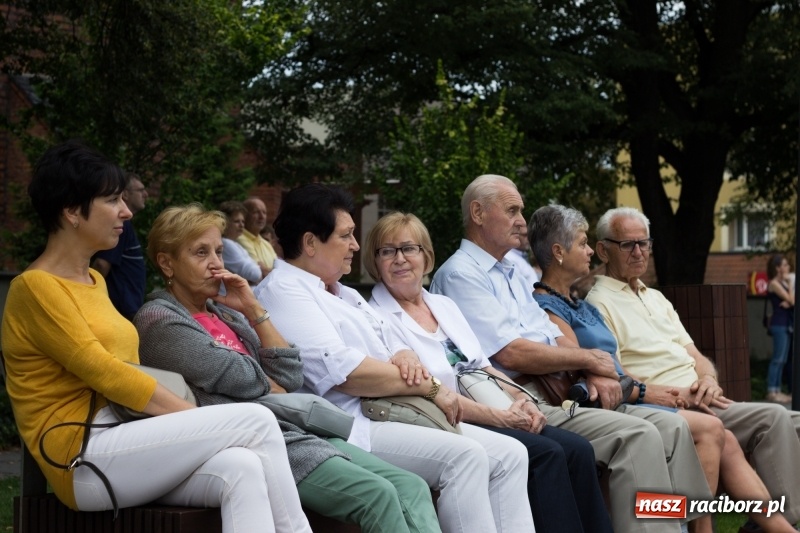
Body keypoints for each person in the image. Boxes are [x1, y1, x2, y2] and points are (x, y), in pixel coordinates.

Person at [0, 141, 310, 532]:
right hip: (81, 456)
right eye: (113, 200)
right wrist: (202, 422)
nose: (126, 212)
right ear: (71, 211)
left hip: (127, 436)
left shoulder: (93, 280)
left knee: (242, 467)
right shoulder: (36, 289)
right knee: (256, 419)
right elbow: (108, 372)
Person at [134, 204, 440, 533]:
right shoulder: (160, 320)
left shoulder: (228, 314)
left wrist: (255, 311)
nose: (216, 264)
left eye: (219, 251)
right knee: (377, 495)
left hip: (300, 433)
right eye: (200, 253)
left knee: (412, 487)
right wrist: (265, 380)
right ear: (167, 262)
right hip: (258, 447)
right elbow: (242, 379)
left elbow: (290, 378)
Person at [430, 174, 710, 533]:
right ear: (478, 213)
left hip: (562, 389)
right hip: (522, 398)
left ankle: (683, 528)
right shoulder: (460, 275)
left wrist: (590, 368)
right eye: (512, 210)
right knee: (638, 435)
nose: (521, 220)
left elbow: (549, 333)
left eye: (522, 210)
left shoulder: (514, 267)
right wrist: (589, 361)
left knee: (672, 427)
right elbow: (512, 354)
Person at [255, 184, 535, 533]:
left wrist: (401, 354)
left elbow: (391, 344)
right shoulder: (285, 292)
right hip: (357, 426)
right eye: (346, 236)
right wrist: (433, 388)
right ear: (311, 243)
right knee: (465, 458)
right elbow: (349, 374)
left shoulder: (343, 292)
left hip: (398, 412)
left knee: (512, 455)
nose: (355, 245)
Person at [529, 204, 798, 533]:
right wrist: (646, 390)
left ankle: (773, 526)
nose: (639, 252)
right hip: (640, 399)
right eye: (628, 244)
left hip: (682, 395)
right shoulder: (586, 301)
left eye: (645, 243)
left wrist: (708, 379)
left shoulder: (597, 302)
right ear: (598, 250)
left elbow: (691, 354)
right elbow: (590, 362)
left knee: (783, 420)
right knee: (721, 432)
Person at [365, 212, 612, 533]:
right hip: (450, 418)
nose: (399, 259)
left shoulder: (442, 305)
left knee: (578, 449)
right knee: (546, 453)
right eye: (387, 251)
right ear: (376, 261)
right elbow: (432, 393)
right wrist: (503, 418)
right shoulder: (376, 318)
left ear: (426, 257)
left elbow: (483, 366)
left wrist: (522, 401)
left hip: (490, 402)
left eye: (408, 248)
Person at [91, 172, 147, 319]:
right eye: (140, 190)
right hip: (121, 311)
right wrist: (90, 297)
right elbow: (101, 265)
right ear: (126, 194)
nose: (146, 194)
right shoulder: (121, 226)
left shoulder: (125, 226)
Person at [765, 254, 794, 403]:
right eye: (785, 265)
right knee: (777, 359)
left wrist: (789, 302)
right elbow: (792, 299)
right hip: (779, 324)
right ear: (778, 268)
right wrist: (790, 298)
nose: (788, 267)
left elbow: (791, 300)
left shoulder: (782, 283)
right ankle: (772, 390)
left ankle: (777, 389)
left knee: (782, 359)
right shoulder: (774, 283)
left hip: (785, 324)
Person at [218, 200, 263, 285]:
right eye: (236, 221)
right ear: (224, 223)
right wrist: (257, 270)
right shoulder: (226, 244)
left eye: (243, 221)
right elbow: (255, 274)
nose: (241, 225)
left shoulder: (235, 244)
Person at [238, 197, 278, 277]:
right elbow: (261, 272)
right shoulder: (239, 239)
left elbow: (279, 270)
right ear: (244, 215)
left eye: (264, 212)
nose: (261, 217)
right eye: (256, 212)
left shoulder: (266, 244)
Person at [504, 224, 539, 292]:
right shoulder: (509, 258)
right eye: (525, 235)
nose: (528, 239)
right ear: (515, 235)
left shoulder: (520, 257)